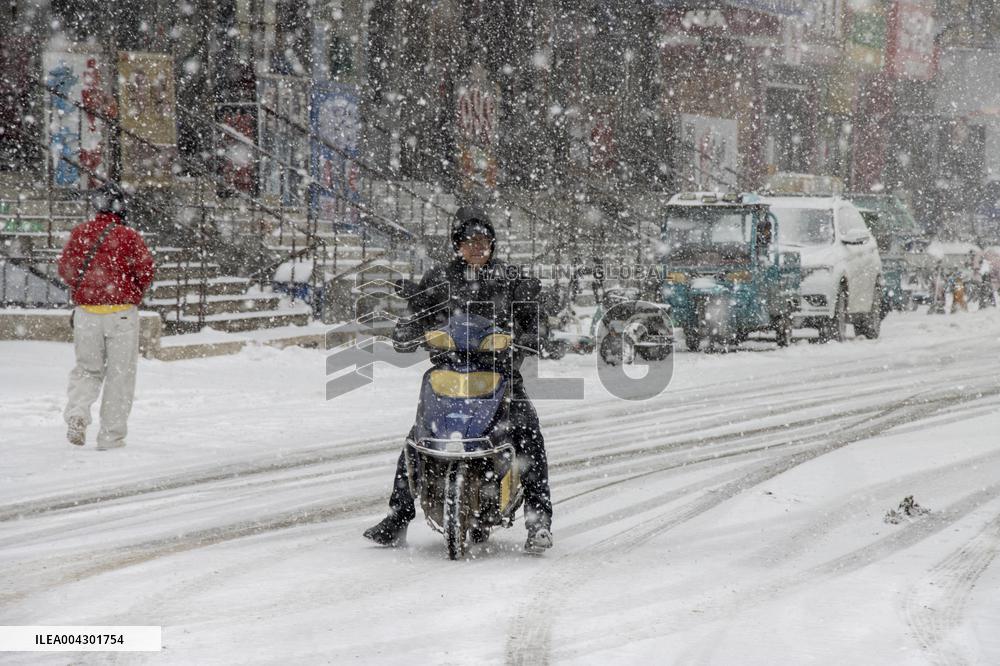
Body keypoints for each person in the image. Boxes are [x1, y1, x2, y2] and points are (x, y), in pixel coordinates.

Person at [363, 207, 554, 552]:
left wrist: (534, 334)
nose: (476, 247)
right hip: (448, 373)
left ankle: (539, 522)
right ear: (457, 245)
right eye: (469, 241)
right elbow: (417, 315)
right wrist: (407, 330)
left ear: (493, 243)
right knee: (418, 437)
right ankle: (397, 516)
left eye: (483, 240)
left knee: (528, 434)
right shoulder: (439, 279)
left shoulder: (511, 279)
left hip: (500, 374)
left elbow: (535, 319)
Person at [57, 185, 155, 450]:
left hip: (86, 313)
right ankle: (111, 437)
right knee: (119, 376)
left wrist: (88, 288)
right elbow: (146, 271)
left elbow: (65, 269)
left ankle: (77, 412)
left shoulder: (80, 233)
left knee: (87, 369)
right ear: (122, 208)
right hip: (121, 314)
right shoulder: (129, 236)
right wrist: (131, 290)